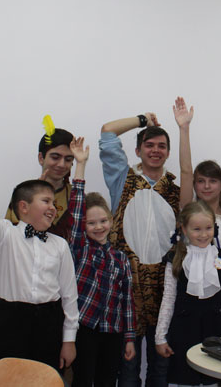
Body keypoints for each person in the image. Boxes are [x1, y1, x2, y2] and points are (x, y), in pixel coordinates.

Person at [0, 129, 79, 380]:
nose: (52, 207)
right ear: (23, 207)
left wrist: (69, 339)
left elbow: (69, 296)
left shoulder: (60, 245)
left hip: (48, 323)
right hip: (7, 322)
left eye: (53, 202)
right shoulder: (3, 235)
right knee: (4, 381)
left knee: (43, 381)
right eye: (45, 201)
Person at [100, 112, 180, 386]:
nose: (155, 150)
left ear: (168, 152)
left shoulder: (175, 190)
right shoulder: (122, 179)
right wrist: (143, 120)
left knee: (160, 369)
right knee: (128, 369)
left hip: (163, 292)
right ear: (137, 150)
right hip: (126, 293)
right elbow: (108, 131)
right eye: (149, 145)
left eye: (161, 146)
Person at [64, 137, 137, 387]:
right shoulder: (80, 249)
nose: (98, 227)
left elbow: (127, 301)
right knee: (83, 380)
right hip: (84, 328)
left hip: (113, 331)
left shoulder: (121, 258)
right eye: (91, 223)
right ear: (83, 226)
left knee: (107, 381)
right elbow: (75, 213)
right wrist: (80, 165)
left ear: (111, 221)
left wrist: (129, 337)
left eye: (103, 221)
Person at [155, 202, 221, 386]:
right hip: (184, 333)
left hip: (215, 332)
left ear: (214, 228)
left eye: (208, 228)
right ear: (184, 229)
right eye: (196, 229)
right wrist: (160, 337)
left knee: (215, 381)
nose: (203, 235)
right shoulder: (175, 259)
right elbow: (168, 299)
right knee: (186, 381)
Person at [173, 97, 221, 259]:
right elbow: (186, 171)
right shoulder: (188, 211)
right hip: (191, 276)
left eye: (212, 181)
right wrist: (184, 129)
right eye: (200, 181)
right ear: (194, 185)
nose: (206, 186)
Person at [4, 126, 76, 239]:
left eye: (68, 159)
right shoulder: (25, 193)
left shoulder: (76, 195)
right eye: (55, 157)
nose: (61, 164)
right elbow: (10, 235)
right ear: (41, 158)